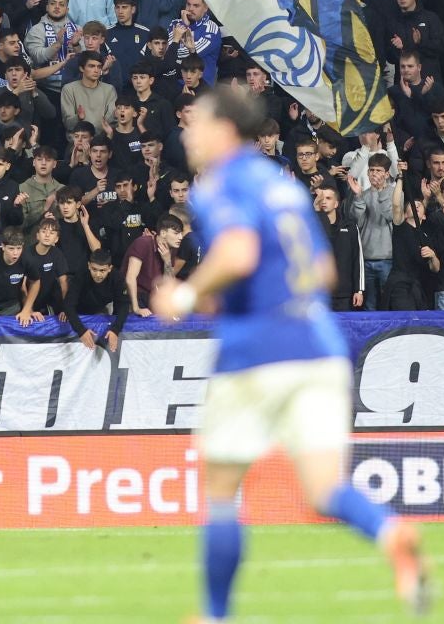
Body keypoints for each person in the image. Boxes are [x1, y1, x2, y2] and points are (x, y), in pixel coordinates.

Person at [151, 84, 429, 623]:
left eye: (198, 122)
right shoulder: (285, 188)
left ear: (225, 130)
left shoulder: (220, 184)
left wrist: (186, 293)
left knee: (223, 490)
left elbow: (238, 250)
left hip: (257, 348)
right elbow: (321, 270)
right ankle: (391, 532)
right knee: (324, 489)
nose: (188, 132)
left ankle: (213, 613)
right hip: (318, 345)